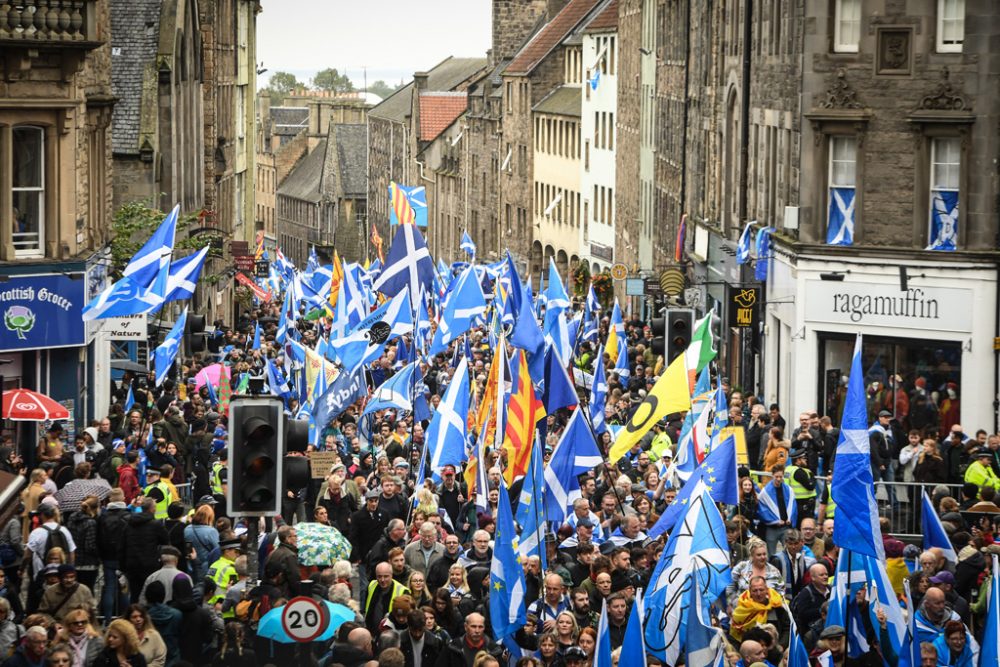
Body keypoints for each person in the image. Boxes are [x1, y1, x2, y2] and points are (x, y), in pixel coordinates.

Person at [119, 499, 168, 603]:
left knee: (134, 594)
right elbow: (166, 541)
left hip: (132, 565)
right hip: (150, 565)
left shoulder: (129, 524)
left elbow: (122, 545)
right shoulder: (155, 525)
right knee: (150, 594)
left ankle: (134, 614)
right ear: (152, 509)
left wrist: (123, 566)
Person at [730, 575, 789, 645]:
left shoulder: (777, 606)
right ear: (750, 592)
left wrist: (781, 646)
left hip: (775, 649)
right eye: (755, 591)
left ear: (767, 590)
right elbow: (734, 634)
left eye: (761, 590)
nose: (758, 594)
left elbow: (787, 629)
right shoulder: (742, 608)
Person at [435, 613, 502, 667]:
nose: (477, 630)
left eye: (480, 627)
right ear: (465, 627)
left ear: (484, 627)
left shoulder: (494, 650)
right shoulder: (452, 648)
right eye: (473, 626)